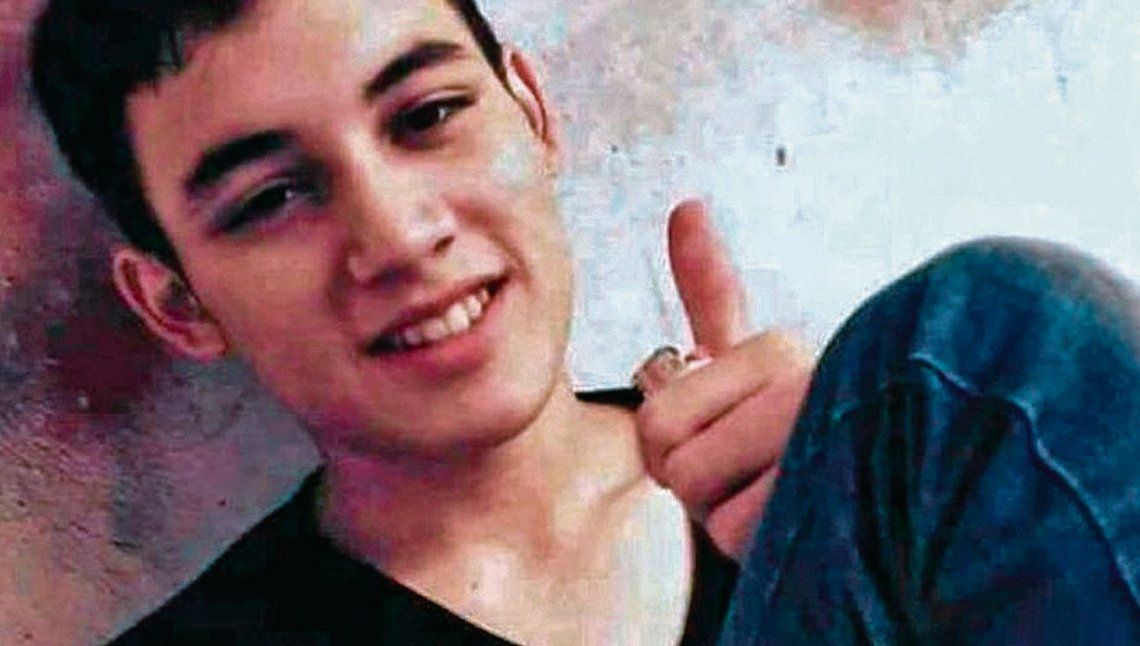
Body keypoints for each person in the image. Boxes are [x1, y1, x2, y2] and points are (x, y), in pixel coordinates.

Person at [28, 0, 1140, 644]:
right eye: (273, 198)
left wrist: (869, 524)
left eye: (429, 115)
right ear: (176, 302)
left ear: (535, 116)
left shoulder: (869, 479)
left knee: (992, 339)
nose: (399, 235)